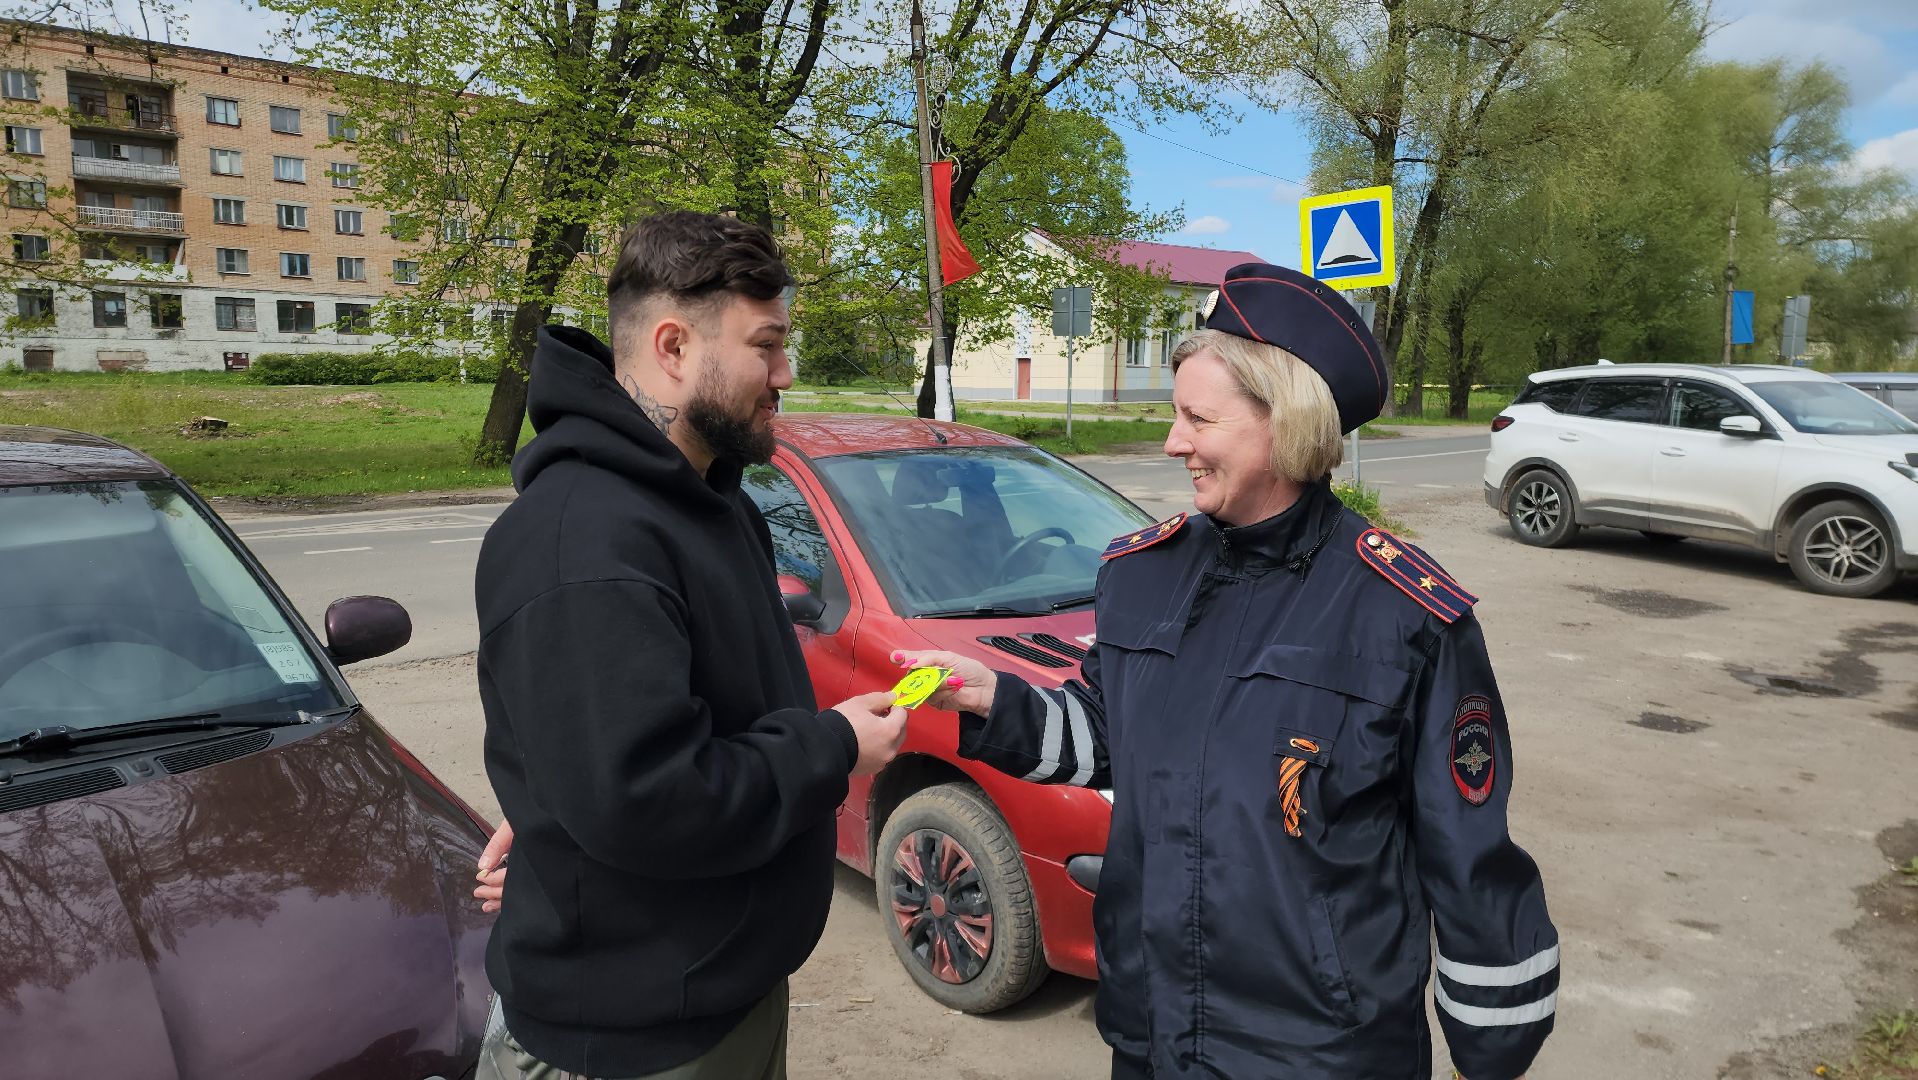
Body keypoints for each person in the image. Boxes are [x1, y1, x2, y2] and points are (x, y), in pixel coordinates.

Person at [895, 263, 1557, 1080]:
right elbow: (1108, 733)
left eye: (1196, 419)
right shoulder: (1142, 573)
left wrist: (1489, 1052)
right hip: (1149, 1028)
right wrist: (995, 697)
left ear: (1285, 423)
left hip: (1319, 1052)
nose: (1173, 443)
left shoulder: (1404, 612)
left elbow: (1468, 858)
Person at [472, 210, 907, 1080]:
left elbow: (627, 757)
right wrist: (834, 747)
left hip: (718, 993)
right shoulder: (584, 544)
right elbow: (648, 798)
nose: (787, 374)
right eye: (766, 346)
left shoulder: (718, 505)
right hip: (632, 1042)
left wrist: (559, 809)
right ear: (673, 348)